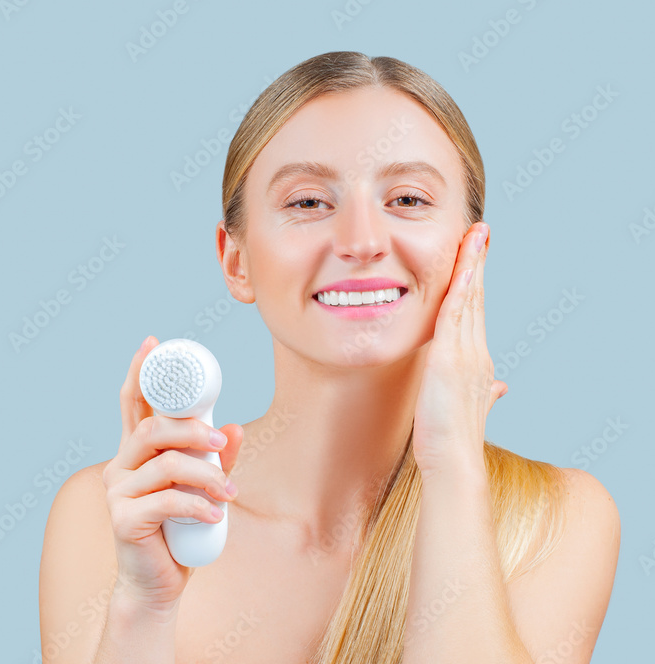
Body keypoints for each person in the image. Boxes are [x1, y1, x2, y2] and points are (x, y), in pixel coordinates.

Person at [38, 51, 621, 664]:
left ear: (471, 249)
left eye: (408, 199)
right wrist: (145, 605)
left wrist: (452, 465)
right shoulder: (115, 514)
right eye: (309, 203)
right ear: (236, 261)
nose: (361, 242)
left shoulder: (557, 521)